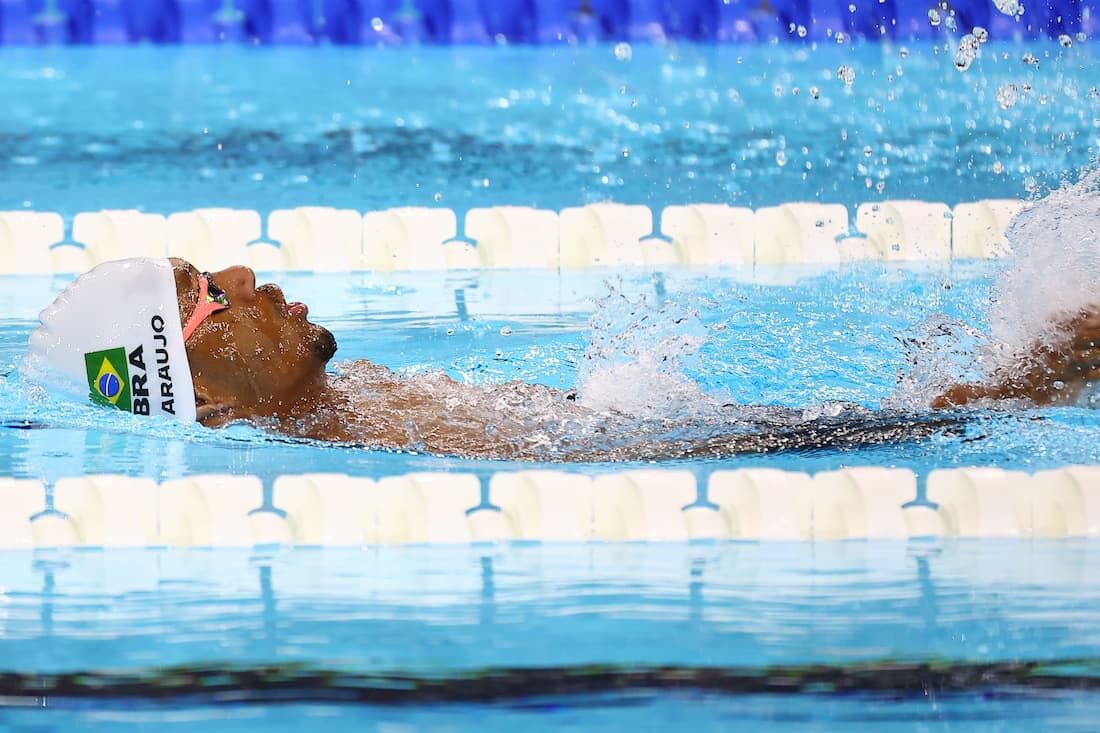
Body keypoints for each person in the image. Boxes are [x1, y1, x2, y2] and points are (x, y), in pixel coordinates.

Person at [25, 257, 1100, 462]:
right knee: (969, 406)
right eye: (208, 296)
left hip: (618, 426)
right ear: (199, 397)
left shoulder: (348, 409)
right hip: (646, 455)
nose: (247, 275)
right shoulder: (348, 438)